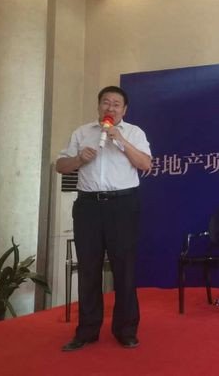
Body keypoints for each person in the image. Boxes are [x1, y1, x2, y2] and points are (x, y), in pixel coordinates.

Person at [56, 86, 151, 351]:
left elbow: (145, 164)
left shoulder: (134, 132)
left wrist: (120, 140)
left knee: (124, 268)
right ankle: (87, 331)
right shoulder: (82, 132)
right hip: (88, 206)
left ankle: (126, 330)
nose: (110, 107)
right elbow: (60, 166)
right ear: (98, 106)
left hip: (122, 205)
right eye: (106, 102)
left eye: (116, 104)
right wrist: (78, 159)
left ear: (124, 110)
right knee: (88, 268)